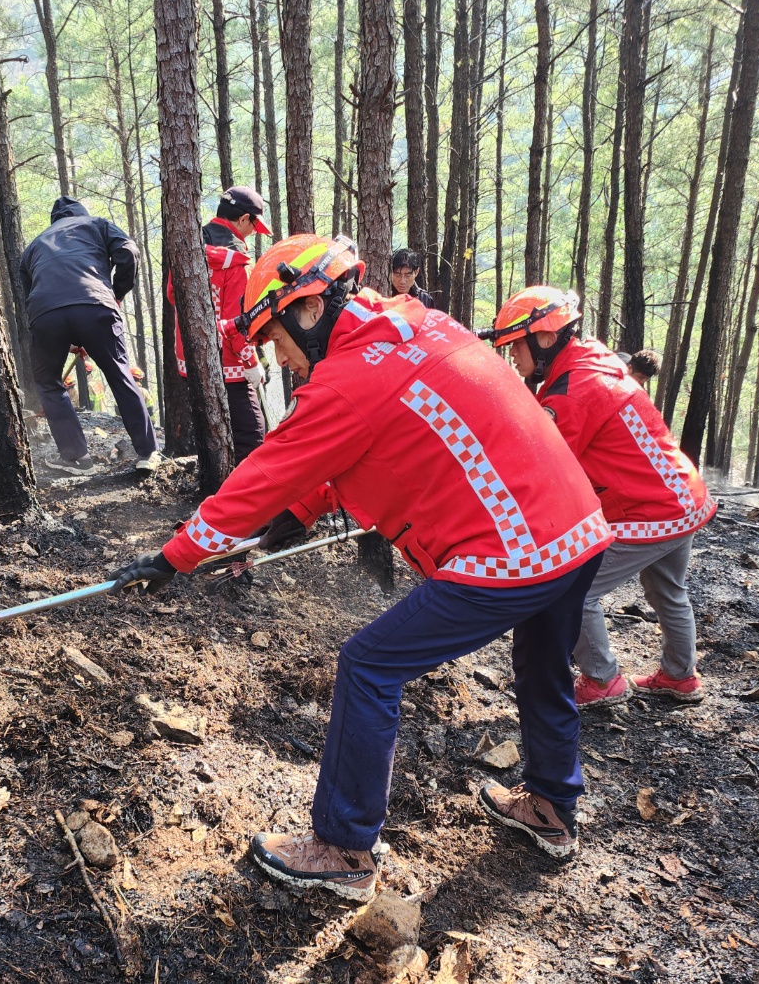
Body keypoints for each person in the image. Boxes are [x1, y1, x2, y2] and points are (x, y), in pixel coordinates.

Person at [109, 234, 612, 898]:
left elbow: (264, 474)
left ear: (309, 308)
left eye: (275, 337)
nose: (278, 356)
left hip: (515, 550)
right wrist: (300, 513)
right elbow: (361, 449)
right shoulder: (415, 324)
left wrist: (174, 558)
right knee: (542, 667)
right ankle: (552, 807)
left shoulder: (351, 377)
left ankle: (343, 850)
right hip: (575, 530)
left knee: (370, 663)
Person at [489, 287, 715, 710]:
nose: (512, 357)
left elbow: (544, 468)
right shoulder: (591, 357)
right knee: (669, 590)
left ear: (543, 338)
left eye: (514, 345)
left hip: (650, 509)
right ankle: (680, 675)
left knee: (572, 590)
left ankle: (601, 679)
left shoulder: (570, 391)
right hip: (684, 496)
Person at [21, 197, 158, 475]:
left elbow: (30, 293)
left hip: (45, 313)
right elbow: (128, 252)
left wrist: (60, 328)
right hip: (96, 308)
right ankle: (147, 453)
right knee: (120, 375)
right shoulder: (96, 224)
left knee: (48, 382)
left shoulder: (33, 246)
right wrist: (116, 293)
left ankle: (76, 458)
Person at [171, 186, 272, 463]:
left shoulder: (191, 250)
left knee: (212, 431)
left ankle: (217, 485)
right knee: (251, 435)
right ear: (243, 219)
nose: (252, 233)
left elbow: (172, 294)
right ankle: (244, 499)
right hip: (229, 363)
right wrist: (251, 362)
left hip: (190, 357)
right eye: (253, 225)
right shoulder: (237, 264)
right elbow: (236, 322)